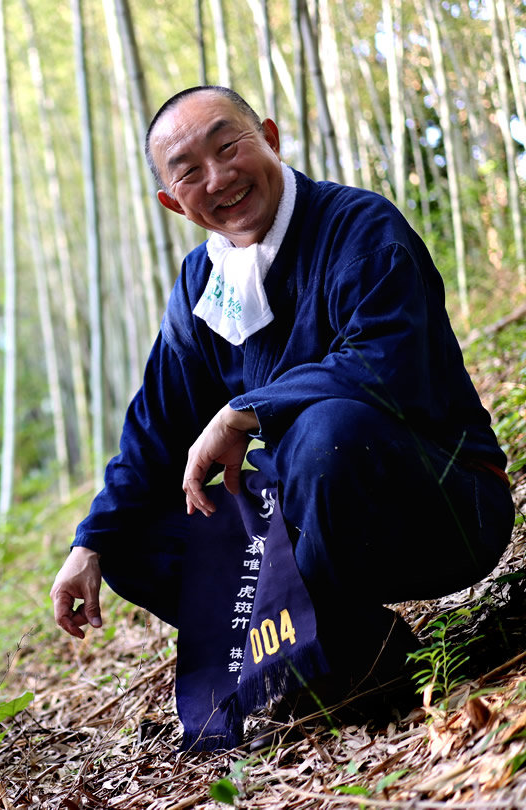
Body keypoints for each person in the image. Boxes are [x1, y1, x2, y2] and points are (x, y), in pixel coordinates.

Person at [50, 85, 514, 742]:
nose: (219, 177)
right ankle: (360, 653)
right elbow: (155, 435)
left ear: (269, 136)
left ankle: (328, 659)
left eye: (228, 145)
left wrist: (246, 411)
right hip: (305, 520)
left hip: (446, 504)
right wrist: (89, 542)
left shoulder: (359, 227)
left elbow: (388, 364)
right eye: (189, 171)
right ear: (172, 202)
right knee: (128, 539)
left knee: (327, 433)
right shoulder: (200, 286)